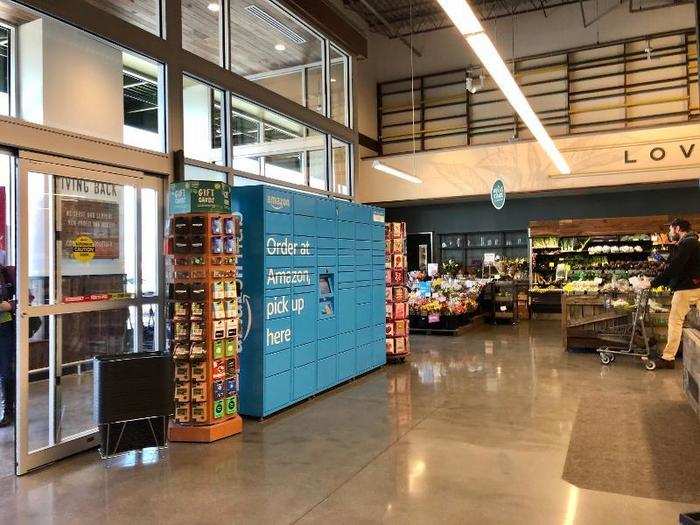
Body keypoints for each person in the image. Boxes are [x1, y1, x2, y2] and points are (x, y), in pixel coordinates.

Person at [646, 218, 700, 369]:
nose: (669, 233)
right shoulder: (690, 242)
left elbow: (675, 268)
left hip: (687, 289)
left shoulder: (687, 243)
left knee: (675, 321)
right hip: (693, 286)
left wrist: (652, 283)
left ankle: (668, 358)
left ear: (677, 229)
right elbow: (674, 264)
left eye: (670, 230)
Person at [0, 265, 15, 426]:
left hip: (4, 329)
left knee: (5, 372)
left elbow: (26, 298)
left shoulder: (7, 273)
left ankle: (8, 412)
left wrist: (9, 305)